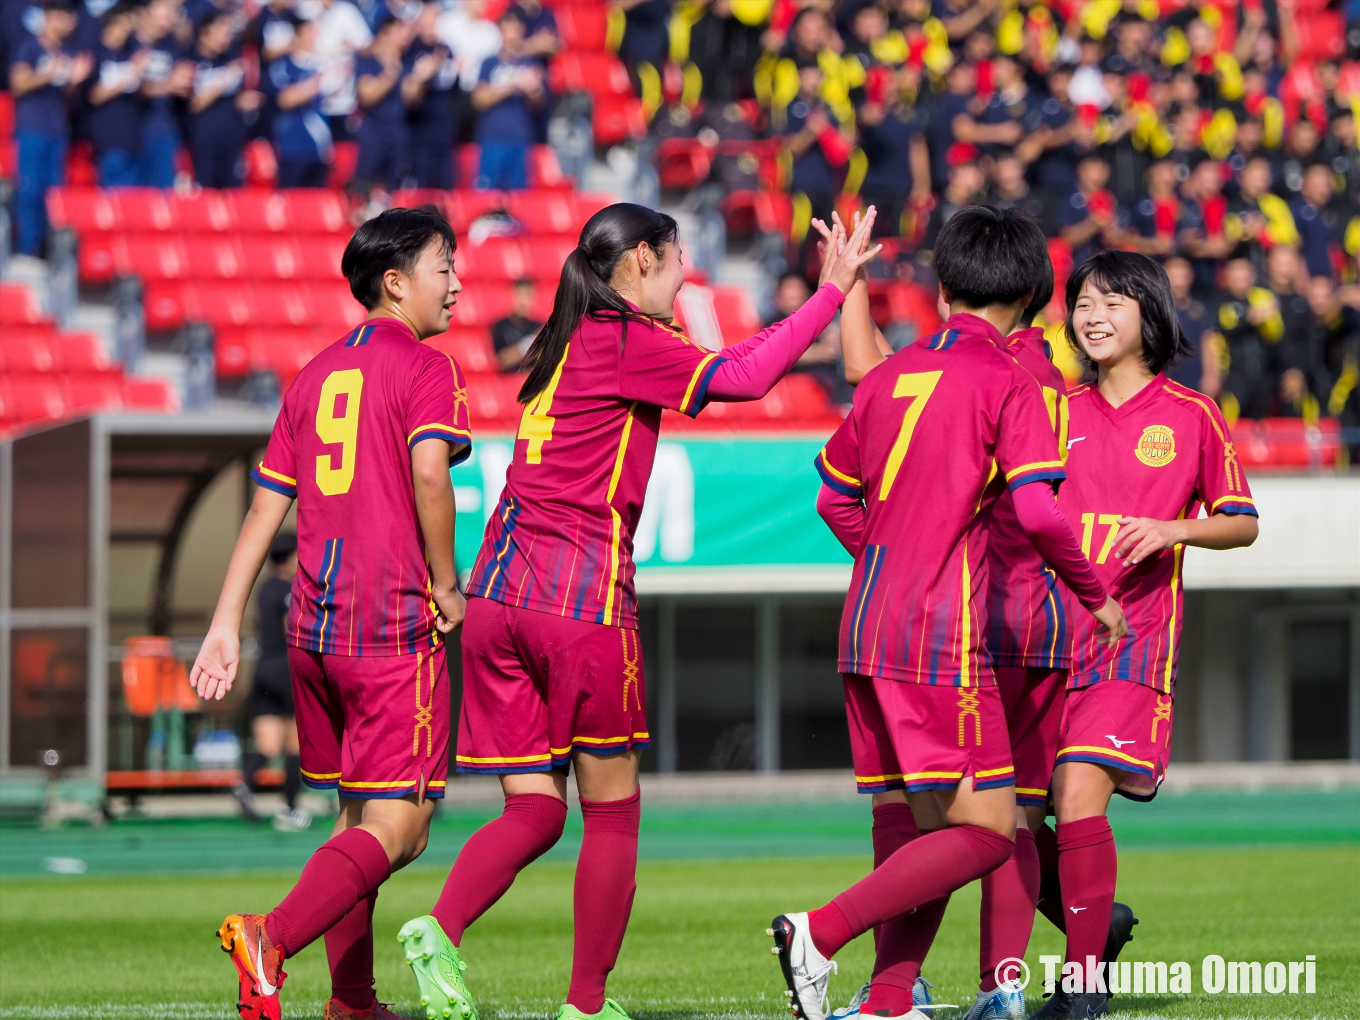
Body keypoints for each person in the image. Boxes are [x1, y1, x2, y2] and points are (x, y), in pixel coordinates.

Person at [395, 203, 880, 1020]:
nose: (688, 273)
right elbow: (744, 378)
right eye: (680, 258)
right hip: (579, 600)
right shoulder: (627, 339)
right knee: (613, 814)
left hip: (497, 596)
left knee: (536, 810)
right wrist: (831, 293)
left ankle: (439, 928)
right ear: (644, 258)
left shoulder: (565, 339)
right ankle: (587, 1006)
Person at [770, 206, 1125, 1020]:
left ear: (938, 291)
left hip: (867, 618)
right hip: (947, 631)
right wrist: (1096, 596)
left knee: (926, 826)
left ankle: (890, 999)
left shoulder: (895, 378)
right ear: (1038, 295)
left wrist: (894, 553)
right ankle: (819, 933)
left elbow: (833, 496)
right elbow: (1038, 514)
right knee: (990, 832)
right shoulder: (1015, 377)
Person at [190, 207, 472, 1020]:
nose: (455, 283)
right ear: (395, 283)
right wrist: (447, 585)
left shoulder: (311, 375)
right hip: (391, 622)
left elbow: (261, 513)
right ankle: (268, 937)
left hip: (313, 627)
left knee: (355, 818)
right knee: (405, 827)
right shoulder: (427, 368)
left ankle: (351, 999)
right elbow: (430, 476)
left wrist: (223, 623)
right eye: (443, 267)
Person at [1039, 251, 1257, 1019]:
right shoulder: (1056, 411)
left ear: (1150, 314)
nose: (1092, 317)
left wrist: (1173, 529)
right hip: (1042, 645)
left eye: (1111, 303)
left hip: (1133, 640)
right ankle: (1094, 926)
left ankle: (1081, 989)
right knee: (1004, 818)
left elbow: (1243, 524)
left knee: (1077, 793)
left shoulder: (1190, 415)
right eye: (1083, 304)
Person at [233, 531, 312, 833]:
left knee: (268, 742)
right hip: (285, 667)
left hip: (263, 667)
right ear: (290, 556)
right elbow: (292, 623)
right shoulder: (290, 589)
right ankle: (290, 807)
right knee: (295, 742)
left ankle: (245, 784)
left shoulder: (265, 587)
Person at [10, 0, 91, 258]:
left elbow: (66, 96)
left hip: (58, 130)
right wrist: (48, 73)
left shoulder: (69, 51)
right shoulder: (29, 47)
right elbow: (18, 83)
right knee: (30, 191)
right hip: (32, 128)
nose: (64, 23)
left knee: (54, 194)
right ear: (46, 18)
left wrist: (75, 81)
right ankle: (27, 249)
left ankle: (49, 251)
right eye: (58, 17)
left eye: (68, 17)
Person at [188, 9, 262, 189]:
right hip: (204, 141)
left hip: (232, 139)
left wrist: (242, 100)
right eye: (222, 32)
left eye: (229, 32)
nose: (227, 37)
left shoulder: (232, 55)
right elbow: (195, 104)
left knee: (234, 196)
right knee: (205, 197)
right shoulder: (190, 60)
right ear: (204, 33)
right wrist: (225, 77)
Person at [472, 8, 543, 190]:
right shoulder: (488, 63)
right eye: (508, 27)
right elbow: (479, 100)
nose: (512, 33)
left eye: (517, 28)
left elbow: (538, 105)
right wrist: (512, 85)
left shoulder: (530, 63)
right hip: (493, 139)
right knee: (486, 197)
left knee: (520, 200)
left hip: (520, 140)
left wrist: (532, 89)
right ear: (500, 30)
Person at [268, 14, 333, 188]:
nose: (314, 36)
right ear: (296, 35)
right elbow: (285, 99)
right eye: (309, 31)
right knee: (290, 201)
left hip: (320, 147)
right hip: (292, 147)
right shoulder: (283, 66)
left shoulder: (325, 63)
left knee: (317, 204)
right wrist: (315, 82)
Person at [85, 0, 144, 187]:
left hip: (132, 136)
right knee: (113, 198)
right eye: (126, 22)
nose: (129, 29)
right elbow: (94, 95)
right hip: (108, 137)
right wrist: (130, 76)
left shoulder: (131, 53)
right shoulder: (95, 53)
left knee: (133, 201)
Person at [135, 0, 192, 188]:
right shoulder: (129, 45)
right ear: (144, 12)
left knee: (163, 198)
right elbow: (133, 89)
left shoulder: (171, 46)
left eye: (173, 11)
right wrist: (168, 85)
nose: (170, 16)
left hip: (165, 129)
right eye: (164, 10)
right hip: (133, 131)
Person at [403, 1, 459, 189]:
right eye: (429, 16)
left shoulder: (446, 49)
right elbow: (409, 97)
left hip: (444, 131)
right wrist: (422, 76)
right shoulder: (411, 50)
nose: (433, 21)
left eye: (436, 16)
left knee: (447, 192)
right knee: (419, 193)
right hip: (419, 134)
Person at [354, 14, 412, 192]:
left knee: (396, 190)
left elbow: (411, 99)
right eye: (399, 31)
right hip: (374, 134)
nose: (405, 36)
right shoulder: (369, 62)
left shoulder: (407, 62)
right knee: (364, 188)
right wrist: (390, 75)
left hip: (399, 134)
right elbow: (367, 96)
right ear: (385, 33)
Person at [491, 278, 542, 372]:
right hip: (507, 384)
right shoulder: (500, 327)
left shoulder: (538, 326)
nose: (523, 302)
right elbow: (502, 361)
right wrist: (532, 342)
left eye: (528, 295)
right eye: (519, 295)